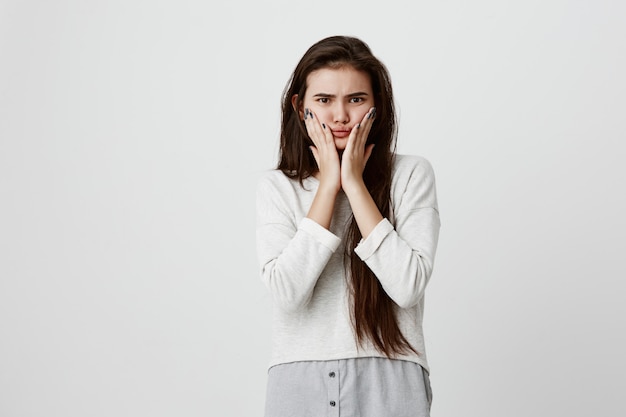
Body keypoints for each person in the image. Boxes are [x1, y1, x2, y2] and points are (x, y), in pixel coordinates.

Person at [256, 35, 440, 417]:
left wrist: (354, 185)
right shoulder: (278, 187)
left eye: (356, 99)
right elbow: (287, 293)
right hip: (298, 378)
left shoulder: (410, 175)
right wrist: (328, 186)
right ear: (300, 106)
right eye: (323, 100)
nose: (340, 116)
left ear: (377, 106)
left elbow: (407, 287)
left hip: (391, 376)